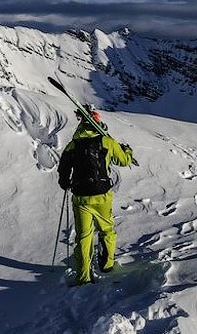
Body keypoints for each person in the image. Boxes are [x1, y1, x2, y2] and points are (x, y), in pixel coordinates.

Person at [57, 105, 134, 285]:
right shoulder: (106, 141)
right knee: (106, 230)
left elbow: (63, 169)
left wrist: (65, 182)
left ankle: (83, 276)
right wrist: (127, 150)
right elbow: (123, 160)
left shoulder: (73, 144)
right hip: (102, 196)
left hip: (81, 197)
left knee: (84, 237)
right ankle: (107, 265)